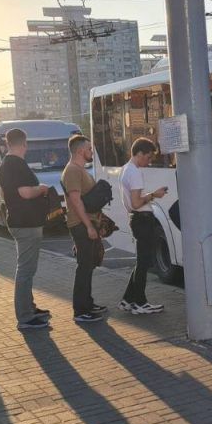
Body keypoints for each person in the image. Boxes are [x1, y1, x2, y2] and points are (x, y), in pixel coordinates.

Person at [0, 128, 51, 330]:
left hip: (22, 221)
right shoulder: (15, 164)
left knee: (27, 269)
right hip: (25, 222)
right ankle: (25, 316)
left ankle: (29, 307)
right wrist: (43, 188)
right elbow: (26, 193)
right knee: (26, 270)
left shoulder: (7, 163)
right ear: (24, 143)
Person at [61, 134, 109, 324]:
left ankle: (87, 304)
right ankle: (81, 311)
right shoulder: (72, 170)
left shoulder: (79, 169)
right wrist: (88, 226)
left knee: (88, 266)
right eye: (89, 149)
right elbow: (75, 200)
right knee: (84, 267)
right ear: (80, 151)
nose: (91, 152)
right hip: (80, 224)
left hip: (86, 223)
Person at [118, 137, 167, 314]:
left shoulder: (125, 169)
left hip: (136, 219)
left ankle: (127, 300)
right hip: (142, 219)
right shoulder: (135, 172)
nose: (149, 161)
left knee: (142, 261)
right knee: (144, 263)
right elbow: (137, 202)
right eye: (148, 157)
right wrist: (154, 195)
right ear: (139, 154)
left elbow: (133, 201)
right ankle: (140, 302)